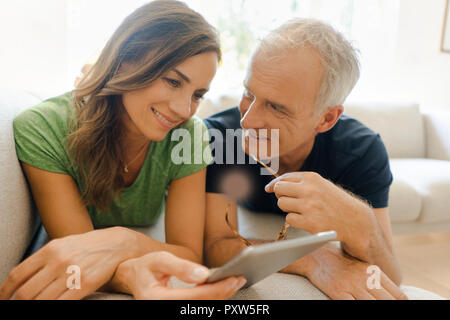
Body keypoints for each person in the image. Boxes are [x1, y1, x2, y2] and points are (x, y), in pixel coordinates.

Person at [0, 0, 246, 300]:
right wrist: (132, 276)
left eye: (197, 95)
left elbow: (188, 253)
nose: (184, 109)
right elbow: (82, 254)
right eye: (172, 81)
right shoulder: (41, 127)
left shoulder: (189, 134)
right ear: (125, 61)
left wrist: (124, 241)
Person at [203, 18, 408, 300]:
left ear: (326, 118)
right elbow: (214, 244)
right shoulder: (218, 136)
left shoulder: (360, 150)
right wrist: (314, 259)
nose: (248, 121)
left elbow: (390, 275)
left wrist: (362, 220)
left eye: (276, 107)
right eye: (249, 93)